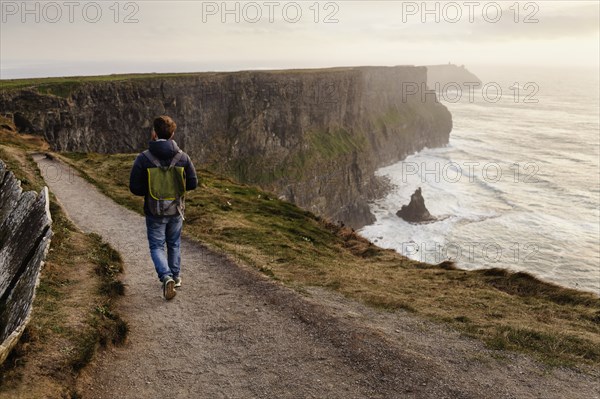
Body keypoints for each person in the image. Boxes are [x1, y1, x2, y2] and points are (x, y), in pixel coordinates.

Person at [129, 115, 198, 300]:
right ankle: (175, 277)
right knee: (174, 243)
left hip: (154, 211)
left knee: (157, 246)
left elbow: (134, 187)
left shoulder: (143, 159)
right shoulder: (183, 157)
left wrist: (152, 190)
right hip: (176, 210)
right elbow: (192, 183)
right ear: (172, 134)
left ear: (154, 134)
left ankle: (165, 276)